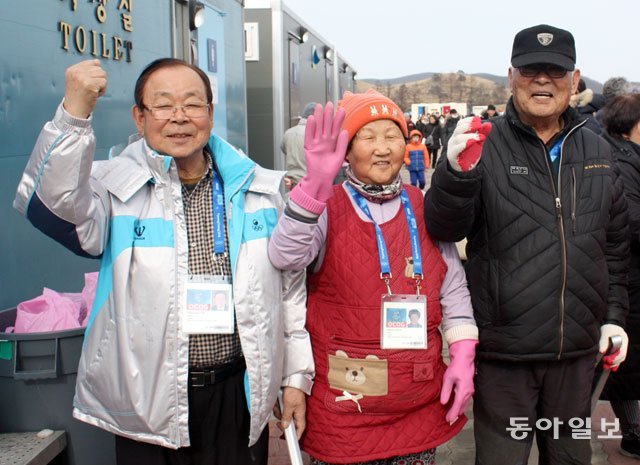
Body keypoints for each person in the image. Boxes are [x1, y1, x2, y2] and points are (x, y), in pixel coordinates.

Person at [13, 58, 314, 465]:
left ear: (210, 113)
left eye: (192, 104)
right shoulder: (113, 189)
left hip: (238, 394)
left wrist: (294, 379)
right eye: (163, 105)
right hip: (149, 405)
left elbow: (290, 293)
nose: (179, 118)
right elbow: (51, 204)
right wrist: (73, 117)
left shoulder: (258, 189)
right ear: (139, 117)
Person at [425, 24, 630, 464]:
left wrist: (614, 318)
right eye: (530, 70)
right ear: (511, 76)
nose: (542, 80)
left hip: (576, 355)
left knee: (572, 459)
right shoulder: (485, 143)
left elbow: (614, 246)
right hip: (504, 357)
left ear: (574, 81)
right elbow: (443, 227)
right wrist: (454, 176)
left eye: (555, 71)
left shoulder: (598, 148)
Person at [268, 89, 478, 464]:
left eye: (392, 135)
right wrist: (314, 185)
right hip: (344, 408)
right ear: (346, 150)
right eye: (367, 136)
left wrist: (463, 354)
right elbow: (285, 256)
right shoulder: (325, 206)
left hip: (414, 404)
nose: (382, 148)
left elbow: (453, 288)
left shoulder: (423, 204)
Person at [601, 93, 640, 458]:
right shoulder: (621, 161)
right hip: (628, 278)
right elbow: (628, 222)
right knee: (629, 365)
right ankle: (633, 432)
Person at [282, 102, 317, 190]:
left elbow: (283, 149)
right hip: (308, 184)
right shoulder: (314, 134)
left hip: (291, 182)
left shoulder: (288, 133)